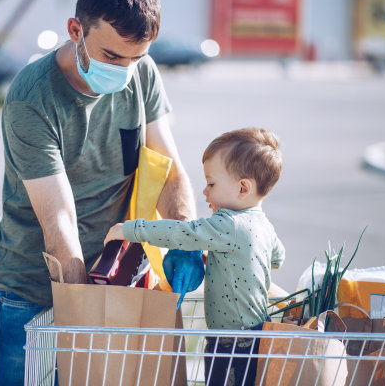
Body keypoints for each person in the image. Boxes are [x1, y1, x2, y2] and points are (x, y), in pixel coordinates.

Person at [0, 0, 204, 384]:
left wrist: (185, 238)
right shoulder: (31, 98)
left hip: (119, 279)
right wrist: (84, 311)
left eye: (135, 58)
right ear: (76, 31)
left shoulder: (143, 73)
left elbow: (169, 168)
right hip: (34, 293)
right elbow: (60, 224)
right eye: (111, 55)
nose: (124, 70)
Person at [105, 127, 286, 386]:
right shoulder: (264, 226)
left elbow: (182, 232)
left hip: (231, 344)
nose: (204, 191)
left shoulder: (228, 224)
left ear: (243, 188)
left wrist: (132, 229)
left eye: (211, 184)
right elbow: (278, 258)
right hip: (255, 336)